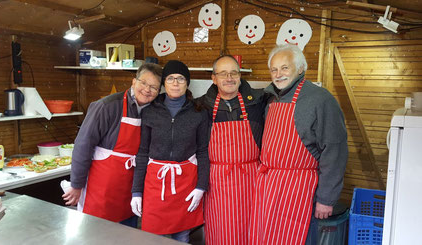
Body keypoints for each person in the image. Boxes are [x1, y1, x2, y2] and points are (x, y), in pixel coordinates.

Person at [250, 44, 348, 245]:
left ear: (301, 69)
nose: (279, 74)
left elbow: (335, 151)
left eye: (285, 68)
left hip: (300, 189)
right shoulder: (269, 98)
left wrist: (326, 199)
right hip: (269, 186)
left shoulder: (320, 99)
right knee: (266, 238)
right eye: (274, 69)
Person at [62, 63, 163, 227]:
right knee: (96, 234)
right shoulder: (107, 106)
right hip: (101, 188)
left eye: (154, 87)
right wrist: (76, 184)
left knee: (125, 235)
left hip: (130, 189)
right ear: (133, 81)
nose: (147, 89)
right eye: (143, 83)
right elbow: (83, 145)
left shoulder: (154, 112)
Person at [130, 60, 210, 243]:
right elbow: (142, 153)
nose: (175, 83)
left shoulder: (199, 113)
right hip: (155, 185)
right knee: (152, 238)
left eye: (181, 78)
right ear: (164, 83)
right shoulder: (150, 112)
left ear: (187, 82)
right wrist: (136, 192)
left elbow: (203, 152)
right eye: (171, 78)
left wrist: (201, 186)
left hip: (185, 185)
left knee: (181, 236)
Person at [195, 55, 265, 245]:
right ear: (214, 78)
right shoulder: (200, 106)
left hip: (250, 181)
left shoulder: (258, 102)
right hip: (216, 182)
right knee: (221, 232)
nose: (229, 78)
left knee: (251, 229)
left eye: (234, 73)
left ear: (240, 76)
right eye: (223, 73)